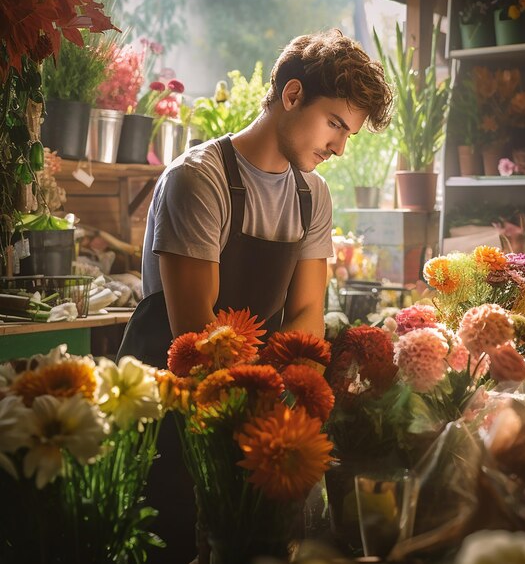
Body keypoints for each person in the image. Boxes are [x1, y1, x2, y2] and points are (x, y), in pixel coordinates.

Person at [117, 29, 393, 563]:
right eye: (335, 123)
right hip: (176, 406)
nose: (339, 146)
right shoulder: (199, 181)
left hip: (254, 400)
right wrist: (251, 418)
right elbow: (195, 335)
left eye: (349, 135)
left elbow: (307, 312)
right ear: (292, 96)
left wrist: (288, 409)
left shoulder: (312, 194)